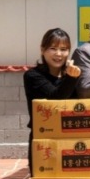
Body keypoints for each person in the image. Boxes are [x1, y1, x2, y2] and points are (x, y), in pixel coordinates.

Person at [23, 28, 81, 171]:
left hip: (70, 135)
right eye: (53, 48)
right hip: (43, 137)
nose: (59, 54)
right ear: (42, 50)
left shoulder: (72, 74)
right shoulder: (32, 76)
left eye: (64, 49)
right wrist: (71, 78)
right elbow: (56, 98)